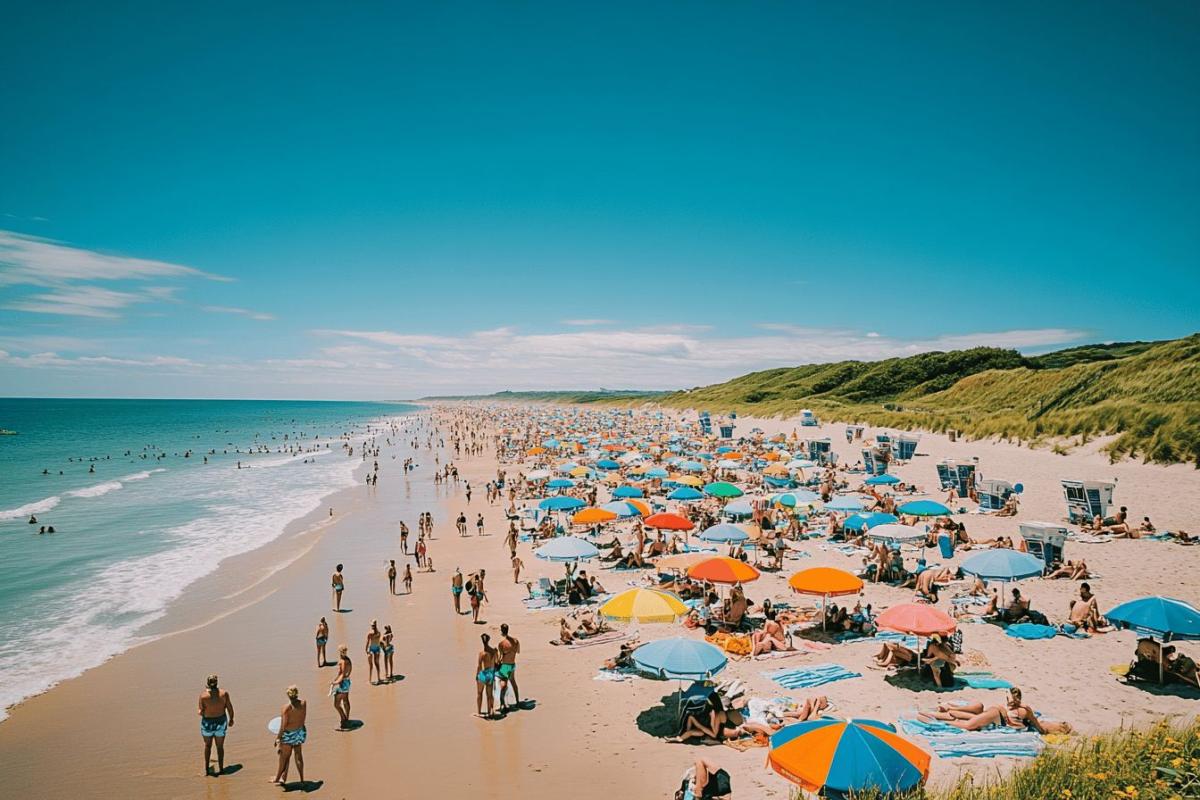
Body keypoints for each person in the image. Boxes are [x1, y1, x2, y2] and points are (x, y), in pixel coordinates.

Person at [950, 687, 1072, 734]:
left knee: (971, 722)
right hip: (998, 716)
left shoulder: (1023, 710)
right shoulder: (1025, 710)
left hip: (997, 714)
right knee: (970, 724)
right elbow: (1038, 726)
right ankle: (948, 718)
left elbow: (1038, 725)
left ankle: (948, 717)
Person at [198, 674, 234, 776]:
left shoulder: (203, 696)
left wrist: (202, 711)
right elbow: (230, 708)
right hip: (221, 722)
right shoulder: (224, 693)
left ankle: (206, 770)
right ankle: (221, 769)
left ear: (207, 684)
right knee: (220, 747)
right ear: (217, 682)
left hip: (207, 723)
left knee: (207, 746)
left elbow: (200, 711)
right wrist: (231, 719)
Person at [272, 686, 307, 786]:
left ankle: (278, 779)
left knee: (284, 758)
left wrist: (278, 738)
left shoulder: (286, 708)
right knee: (298, 756)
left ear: (288, 695)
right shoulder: (303, 703)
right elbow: (303, 718)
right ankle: (302, 780)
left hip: (288, 735)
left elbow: (283, 726)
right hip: (299, 732)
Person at [497, 623, 521, 710]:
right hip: (512, 665)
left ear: (502, 631)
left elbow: (500, 658)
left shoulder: (501, 644)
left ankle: (502, 704)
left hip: (505, 666)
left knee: (503, 684)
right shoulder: (516, 641)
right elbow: (517, 652)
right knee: (513, 683)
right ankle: (517, 701)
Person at [476, 633, 499, 719]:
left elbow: (479, 666)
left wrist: (477, 675)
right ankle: (490, 712)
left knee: (479, 693)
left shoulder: (482, 653)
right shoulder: (494, 651)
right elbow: (496, 662)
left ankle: (479, 712)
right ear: (489, 640)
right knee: (489, 695)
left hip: (483, 674)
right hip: (491, 674)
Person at [330, 645, 353, 729]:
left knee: (336, 704)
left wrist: (335, 682)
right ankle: (346, 717)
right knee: (345, 700)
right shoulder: (348, 659)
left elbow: (342, 674)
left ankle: (343, 719)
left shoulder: (343, 661)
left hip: (343, 683)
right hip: (347, 681)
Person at [365, 620, 383, 684]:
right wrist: (366, 649)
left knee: (376, 664)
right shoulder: (374, 633)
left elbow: (369, 642)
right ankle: (371, 679)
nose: (373, 626)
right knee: (372, 665)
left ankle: (377, 678)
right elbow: (368, 641)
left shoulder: (376, 633)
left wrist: (366, 650)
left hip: (375, 649)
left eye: (373, 625)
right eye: (372, 625)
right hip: (373, 649)